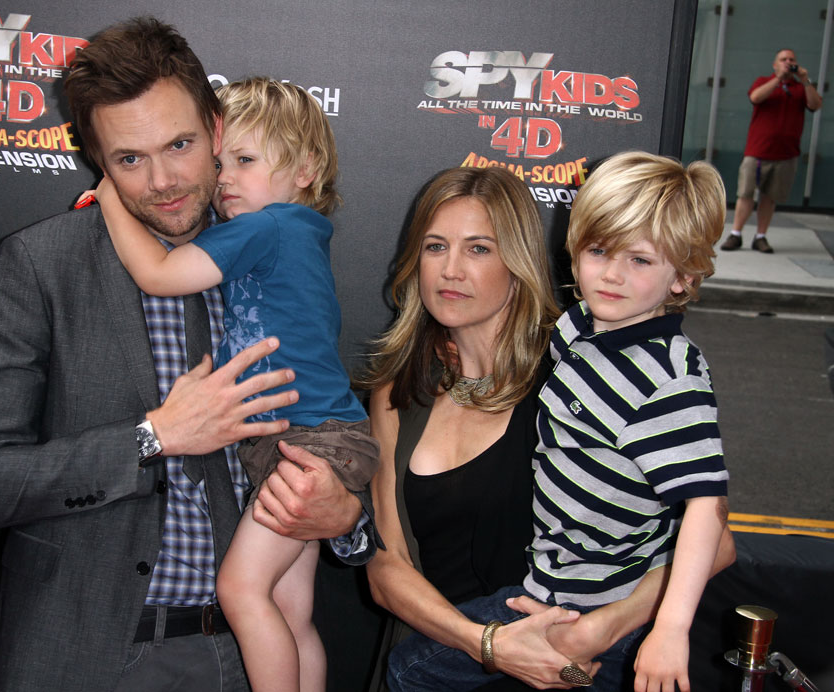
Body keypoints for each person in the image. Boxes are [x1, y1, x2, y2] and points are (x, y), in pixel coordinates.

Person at [0, 18, 371, 692]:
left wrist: (345, 517)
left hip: (241, 661)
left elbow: (324, 429)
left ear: (216, 129)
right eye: (130, 160)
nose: (164, 180)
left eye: (180, 145)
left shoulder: (267, 250)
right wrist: (152, 436)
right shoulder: (39, 264)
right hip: (83, 662)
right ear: (97, 160)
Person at [384, 153, 732, 692]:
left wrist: (626, 626)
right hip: (500, 615)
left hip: (587, 622)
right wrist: (490, 645)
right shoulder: (573, 338)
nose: (451, 269)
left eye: (478, 248)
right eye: (435, 246)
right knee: (406, 670)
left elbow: (716, 529)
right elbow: (385, 565)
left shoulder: (631, 369)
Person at [94, 76, 380, 692]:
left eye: (246, 161)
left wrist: (111, 198)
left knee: (241, 589)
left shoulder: (269, 227)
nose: (225, 179)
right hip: (313, 439)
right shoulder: (294, 231)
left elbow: (159, 274)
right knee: (291, 611)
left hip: (309, 443)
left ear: (305, 169)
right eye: (220, 163)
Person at [722, 48, 823, 254]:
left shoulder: (800, 87)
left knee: (770, 197)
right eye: (783, 59)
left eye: (791, 59)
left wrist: (805, 80)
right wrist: (778, 79)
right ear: (775, 64)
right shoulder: (763, 81)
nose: (788, 62)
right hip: (757, 151)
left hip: (786, 154)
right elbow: (755, 97)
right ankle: (735, 234)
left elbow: (815, 105)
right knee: (745, 193)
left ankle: (761, 236)